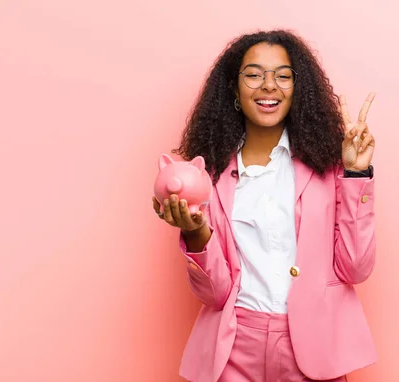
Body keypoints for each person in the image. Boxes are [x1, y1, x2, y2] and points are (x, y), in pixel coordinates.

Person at [152, 29, 378, 382]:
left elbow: (355, 269)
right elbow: (215, 293)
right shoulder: (208, 174)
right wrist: (195, 232)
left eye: (283, 76)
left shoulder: (327, 166)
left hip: (313, 348)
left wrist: (355, 172)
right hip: (233, 347)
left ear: (297, 88)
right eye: (254, 74)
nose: (268, 85)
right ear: (233, 87)